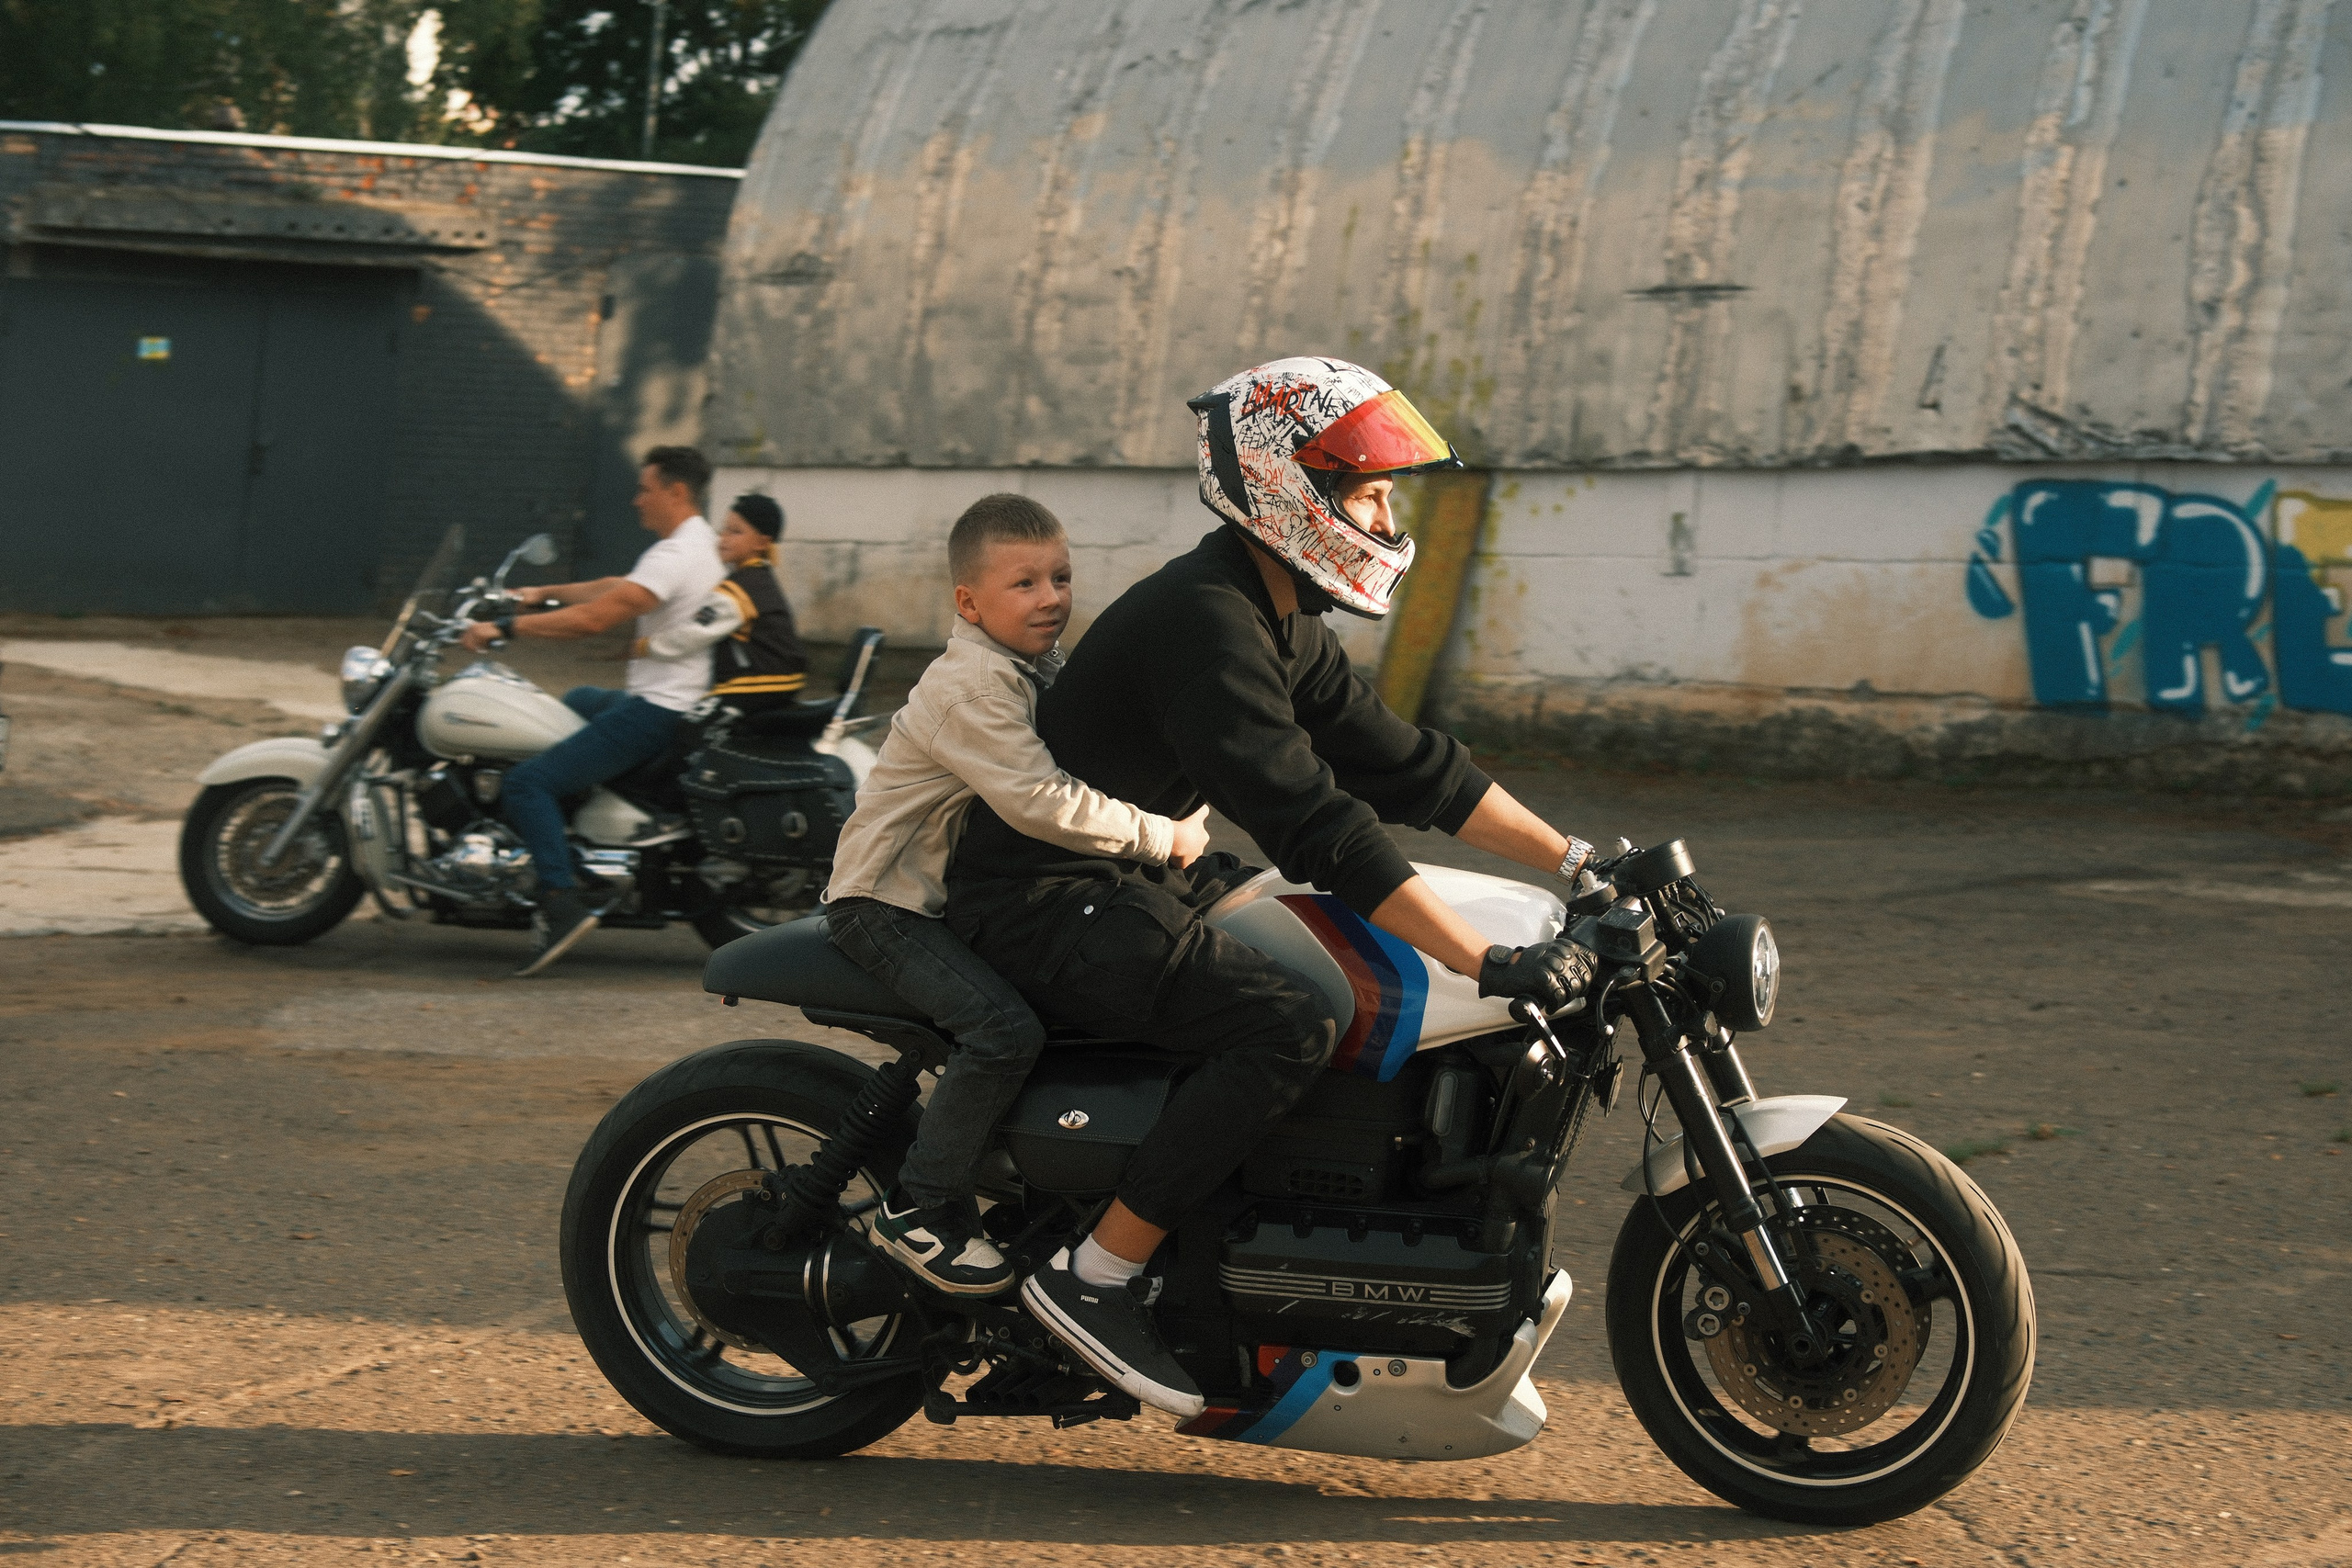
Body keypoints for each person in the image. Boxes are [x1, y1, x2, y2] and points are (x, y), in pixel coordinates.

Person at [943, 357, 1604, 1418]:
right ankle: (1094, 1277)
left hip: (1137, 873)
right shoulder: (1205, 622)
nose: (1387, 521)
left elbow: (1408, 767)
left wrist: (1577, 861)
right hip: (1044, 898)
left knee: (1317, 950)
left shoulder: (1275, 613)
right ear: (1288, 489)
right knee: (1287, 1022)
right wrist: (1482, 957)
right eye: (1371, 495)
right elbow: (1314, 822)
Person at [823, 493, 1211, 1296]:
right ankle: (919, 1206)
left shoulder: (1032, 670)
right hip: (887, 906)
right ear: (969, 603)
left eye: (1060, 577)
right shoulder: (973, 687)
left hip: (940, 899)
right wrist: (1158, 835)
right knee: (1001, 1030)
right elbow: (1041, 798)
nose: (1051, 598)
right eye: (1024, 583)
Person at [459, 445, 726, 975]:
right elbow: (615, 589)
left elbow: (595, 619)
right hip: (670, 697)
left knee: (526, 783)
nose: (636, 500)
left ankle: (561, 899)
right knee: (576, 700)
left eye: (645, 489)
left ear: (676, 491)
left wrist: (504, 627)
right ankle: (569, 830)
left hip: (658, 710)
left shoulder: (677, 554)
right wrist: (539, 594)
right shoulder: (694, 544)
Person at [635, 493, 812, 716]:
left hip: (758, 682)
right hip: (784, 680)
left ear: (761, 543)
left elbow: (693, 634)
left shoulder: (739, 590)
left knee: (690, 725)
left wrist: (645, 646)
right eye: (724, 530)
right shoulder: (760, 578)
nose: (723, 538)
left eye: (735, 532)